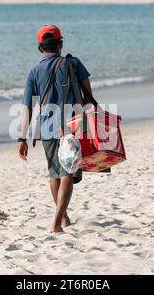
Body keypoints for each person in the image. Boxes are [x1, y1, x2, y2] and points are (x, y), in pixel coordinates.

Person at [18, 25, 93, 233]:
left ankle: (64, 219)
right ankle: (56, 223)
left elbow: (27, 107)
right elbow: (88, 94)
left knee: (55, 174)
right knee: (68, 171)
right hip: (72, 127)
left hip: (47, 128)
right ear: (60, 44)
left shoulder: (34, 71)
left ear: (39, 49)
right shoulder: (73, 63)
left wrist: (22, 138)